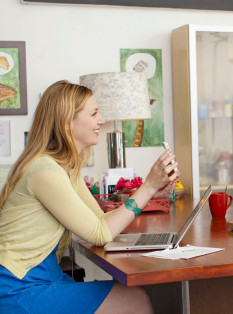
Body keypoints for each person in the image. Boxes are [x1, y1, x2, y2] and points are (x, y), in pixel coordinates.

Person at [0, 80, 180, 313]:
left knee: (132, 296)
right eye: (94, 113)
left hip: (39, 277)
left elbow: (99, 221)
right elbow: (100, 232)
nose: (101, 120)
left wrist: (153, 191)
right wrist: (147, 187)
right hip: (17, 286)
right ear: (67, 123)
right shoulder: (44, 171)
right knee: (135, 300)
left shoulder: (67, 169)